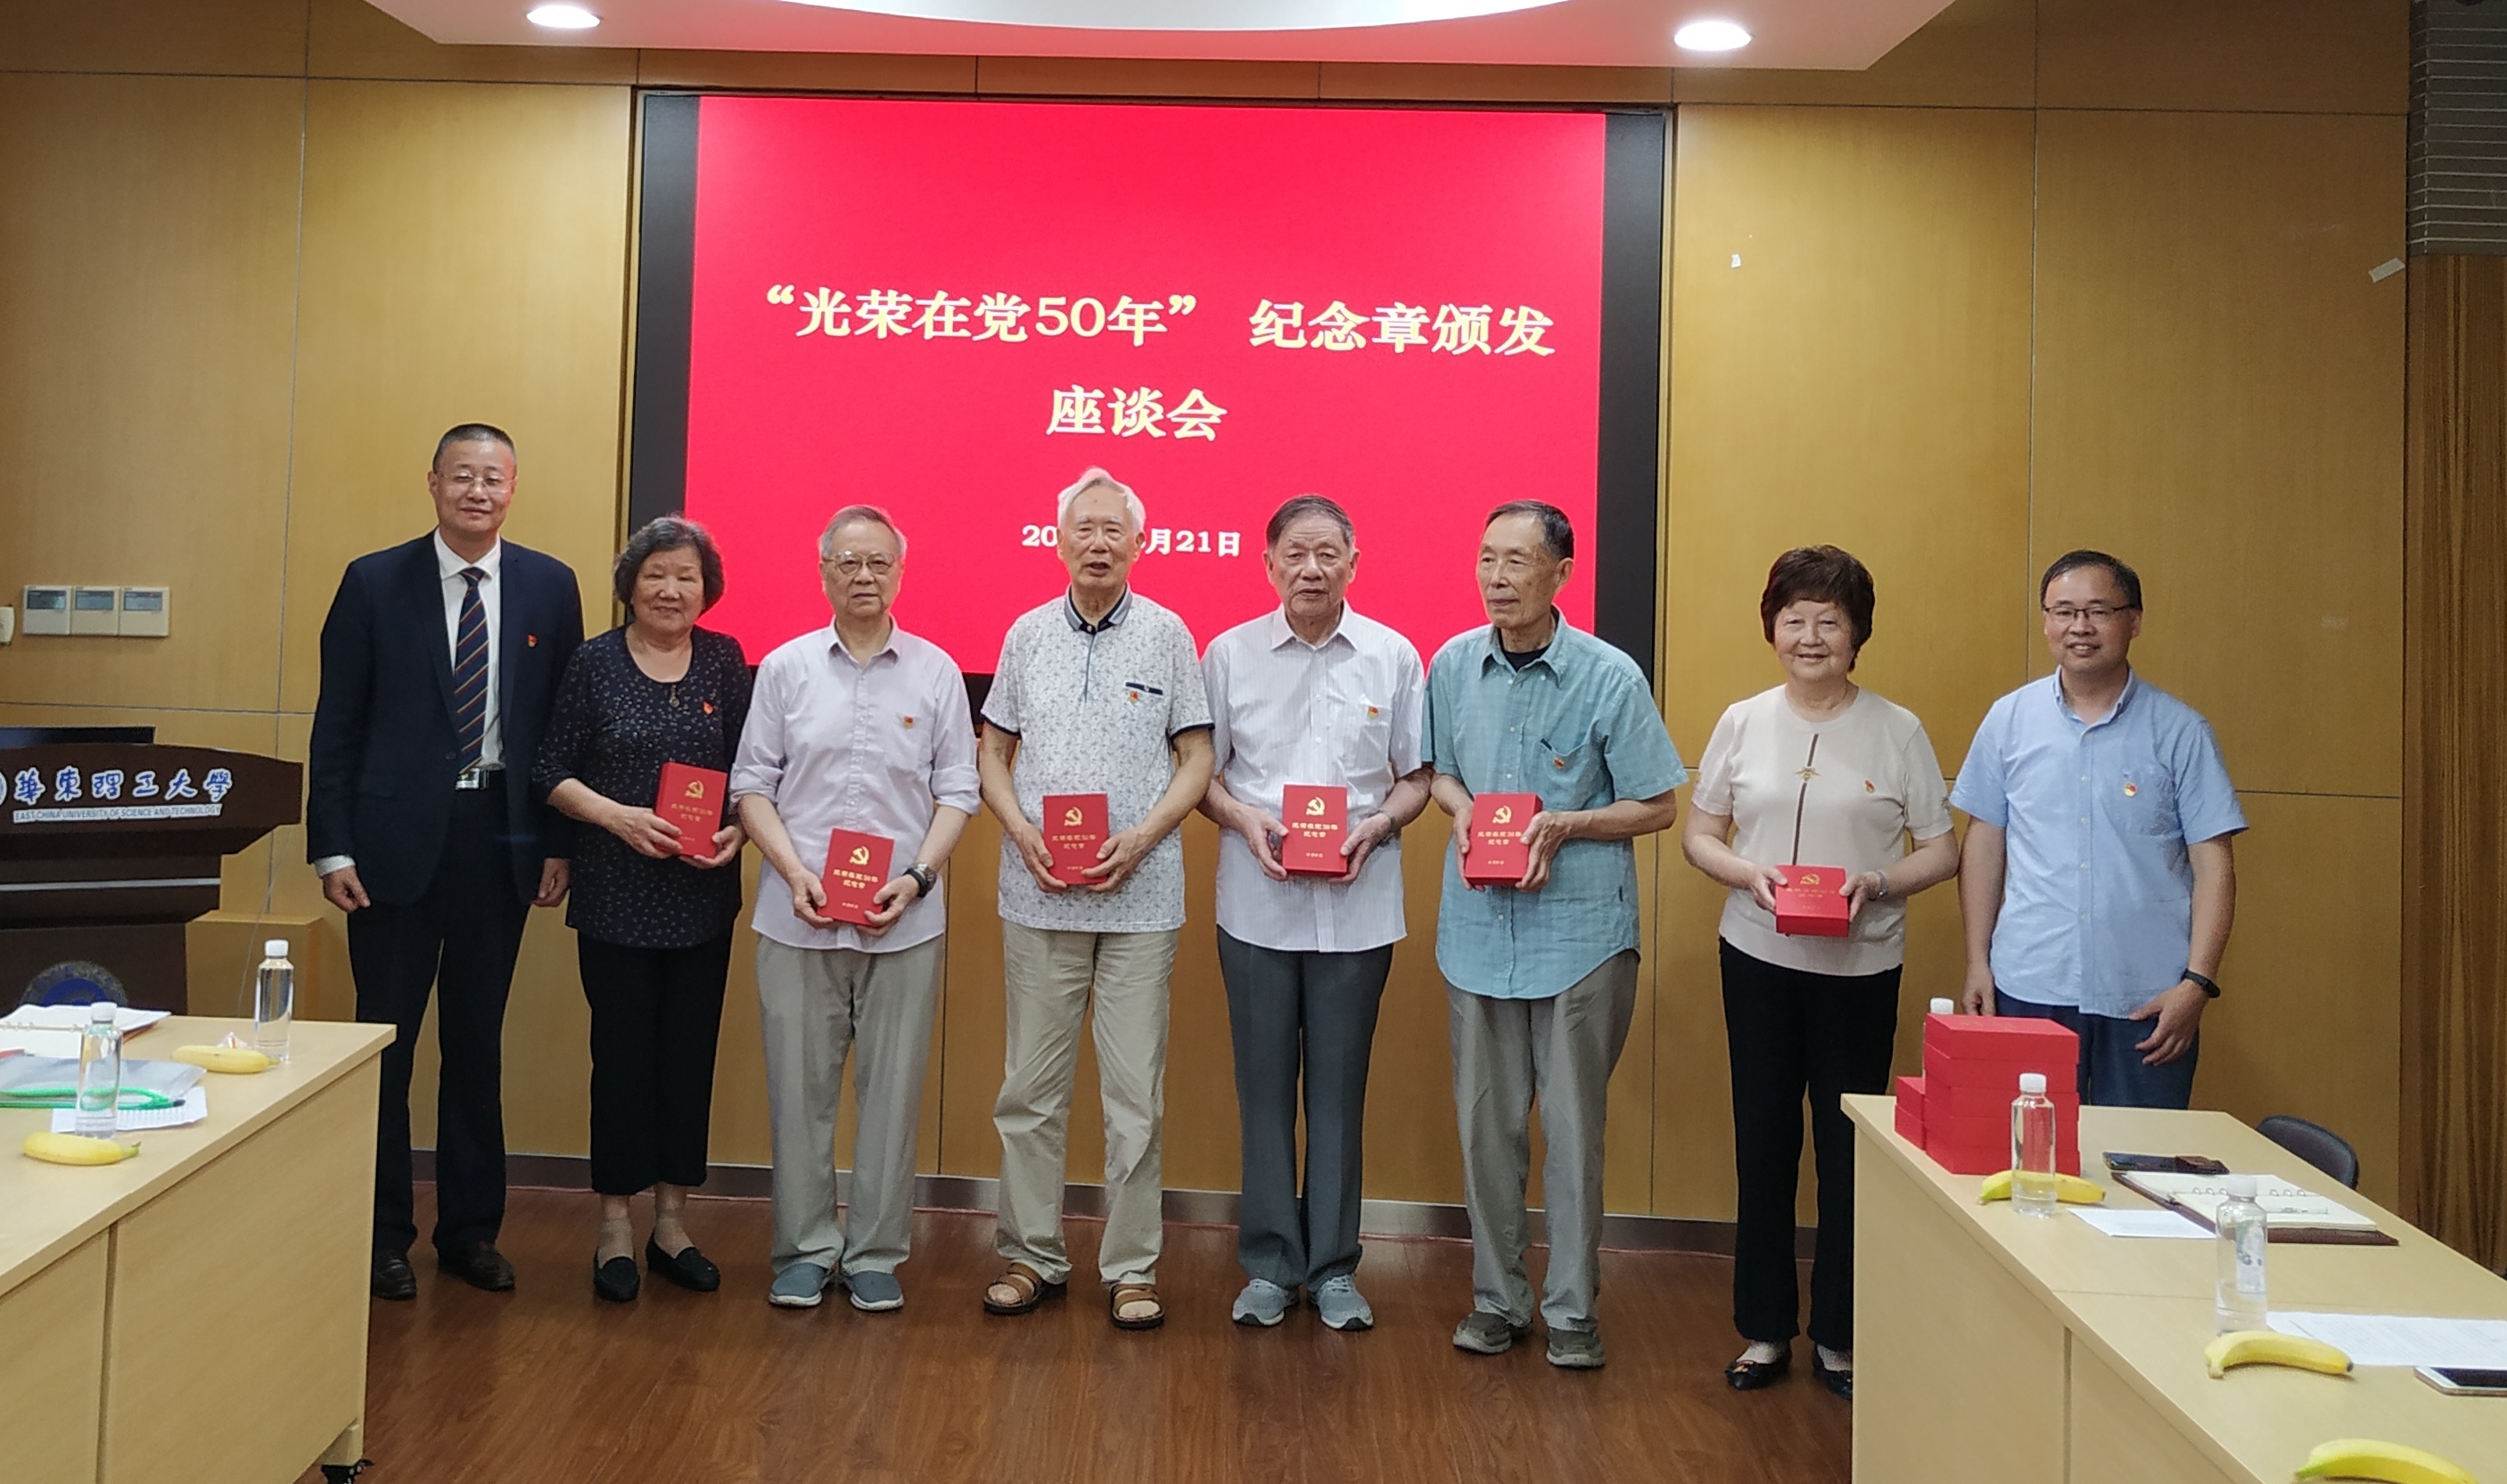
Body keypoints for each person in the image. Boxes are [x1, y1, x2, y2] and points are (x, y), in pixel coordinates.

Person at [307, 423, 582, 1300]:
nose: (477, 491)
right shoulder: (373, 581)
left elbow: (561, 730)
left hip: (500, 837)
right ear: (432, 482)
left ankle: (469, 1232)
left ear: (513, 488)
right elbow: (337, 722)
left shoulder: (549, 585)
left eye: (493, 478)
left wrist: (558, 842)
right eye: (461, 475)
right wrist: (332, 844)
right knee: (385, 1044)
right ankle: (381, 1233)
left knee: (475, 1045)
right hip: (390, 847)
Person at [1680, 546, 1960, 1400]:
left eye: (1828, 621)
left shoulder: (1898, 729)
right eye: (1793, 618)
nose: (1809, 636)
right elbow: (1700, 834)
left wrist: (1878, 881)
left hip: (1860, 965)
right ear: (1772, 628)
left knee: (1847, 1151)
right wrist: (1746, 874)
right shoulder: (1742, 720)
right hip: (1757, 958)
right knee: (1763, 1139)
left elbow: (1941, 850)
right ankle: (1765, 1328)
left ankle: (1840, 1336)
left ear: (1857, 634)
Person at [1425, 499, 1686, 1371]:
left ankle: (1573, 1310)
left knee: (1572, 1138)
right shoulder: (1452, 664)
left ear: (1561, 573)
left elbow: (1658, 804)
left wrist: (1566, 825)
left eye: (1516, 561)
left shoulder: (1609, 676)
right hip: (1475, 936)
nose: (1496, 578)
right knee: (1485, 1132)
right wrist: (1461, 810)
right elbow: (1441, 774)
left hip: (1578, 942)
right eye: (1486, 559)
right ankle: (1497, 1301)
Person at [977, 468, 1214, 1332]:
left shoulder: (1168, 633)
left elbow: (1196, 757)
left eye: (1115, 530)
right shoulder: (1026, 634)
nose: (1099, 543)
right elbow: (992, 753)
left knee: (1134, 1099)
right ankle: (1030, 1254)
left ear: (1139, 543)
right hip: (1040, 895)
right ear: (1059, 540)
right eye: (1085, 528)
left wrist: (1143, 836)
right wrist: (1019, 831)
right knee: (1029, 1093)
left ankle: (1131, 1268)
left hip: (1139, 902)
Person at [731, 505, 978, 1314]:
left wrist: (918, 876)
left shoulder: (936, 671)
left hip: (904, 920)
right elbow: (751, 784)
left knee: (893, 1093)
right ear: (824, 572)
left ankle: (874, 1251)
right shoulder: (786, 668)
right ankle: (805, 1248)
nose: (863, 575)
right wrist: (793, 871)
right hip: (795, 914)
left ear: (901, 571)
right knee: (798, 1093)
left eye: (878, 562)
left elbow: (958, 788)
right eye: (848, 562)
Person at [1198, 495, 1431, 1332]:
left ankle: (1333, 1267)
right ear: (1268, 564)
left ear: (1353, 564)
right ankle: (1269, 1265)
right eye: (1295, 553)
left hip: (1357, 911)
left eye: (1328, 553)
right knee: (1263, 1093)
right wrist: (1241, 817)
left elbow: (1416, 776)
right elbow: (1202, 776)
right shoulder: (1228, 654)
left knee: (1338, 1093)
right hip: (1257, 908)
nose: (1311, 568)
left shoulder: (1393, 656)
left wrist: (1382, 823)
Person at [535, 516, 750, 1303]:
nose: (670, 588)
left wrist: (736, 829)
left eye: (686, 575)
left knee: (687, 1059)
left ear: (706, 588)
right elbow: (550, 769)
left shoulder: (725, 659)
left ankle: (672, 1223)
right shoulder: (594, 661)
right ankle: (615, 1226)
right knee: (622, 1061)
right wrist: (616, 816)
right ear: (630, 583)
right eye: (656, 573)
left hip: (700, 894)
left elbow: (752, 771)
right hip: (616, 894)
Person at [1952, 550, 2243, 1109]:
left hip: (2148, 997)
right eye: (2063, 611)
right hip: (2029, 984)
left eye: (2099, 611)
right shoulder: (2008, 720)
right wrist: (1977, 962)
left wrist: (2197, 984)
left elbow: (2214, 867)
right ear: (2046, 622)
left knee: (2138, 1156)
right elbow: (1984, 846)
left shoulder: (2181, 731)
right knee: (2026, 1149)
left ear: (2134, 621)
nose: (2079, 627)